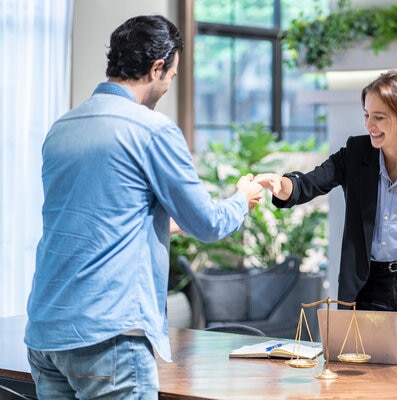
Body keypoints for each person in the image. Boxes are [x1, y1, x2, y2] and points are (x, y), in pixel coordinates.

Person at [24, 15, 263, 399]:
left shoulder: (62, 127)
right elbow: (208, 224)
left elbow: (102, 222)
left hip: (47, 333)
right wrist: (241, 199)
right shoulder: (151, 129)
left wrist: (169, 222)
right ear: (157, 68)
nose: (168, 86)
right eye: (171, 75)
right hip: (108, 338)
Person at [255, 69, 397, 357]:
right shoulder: (356, 154)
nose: (370, 124)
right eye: (366, 115)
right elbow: (311, 183)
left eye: (379, 117)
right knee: (366, 380)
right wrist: (282, 185)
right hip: (368, 290)